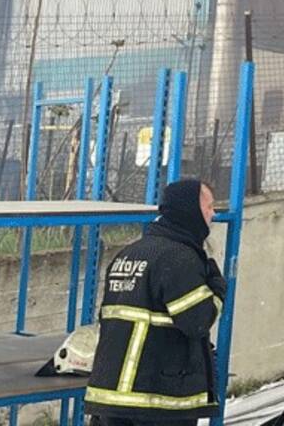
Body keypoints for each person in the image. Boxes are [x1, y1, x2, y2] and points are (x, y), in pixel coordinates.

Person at [85, 178, 226, 425]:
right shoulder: (179, 258)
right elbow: (198, 321)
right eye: (209, 207)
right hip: (155, 398)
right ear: (191, 210)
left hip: (111, 395)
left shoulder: (130, 253)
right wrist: (217, 286)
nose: (213, 214)